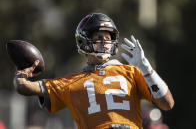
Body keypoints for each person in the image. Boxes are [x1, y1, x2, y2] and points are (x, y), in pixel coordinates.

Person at [14, 13, 174, 129]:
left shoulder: (131, 72)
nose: (105, 42)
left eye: (108, 38)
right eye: (99, 37)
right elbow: (23, 86)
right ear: (84, 40)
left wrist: (146, 68)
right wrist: (24, 70)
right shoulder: (71, 82)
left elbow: (167, 104)